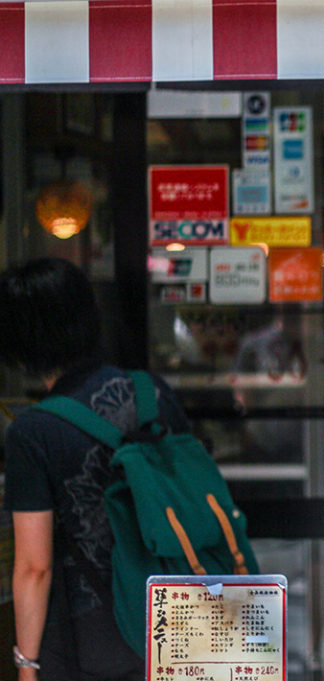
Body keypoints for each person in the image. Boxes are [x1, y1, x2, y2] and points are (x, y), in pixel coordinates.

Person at [0, 258, 189, 681]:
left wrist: (26, 666)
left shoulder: (33, 432)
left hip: (89, 638)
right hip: (180, 619)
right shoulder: (151, 393)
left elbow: (35, 568)